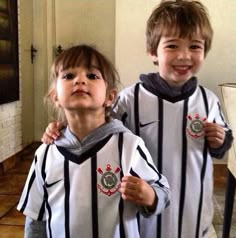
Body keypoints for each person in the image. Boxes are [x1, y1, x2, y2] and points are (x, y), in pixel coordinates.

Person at [41, 1, 234, 238]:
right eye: (172, 46)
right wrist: (62, 129)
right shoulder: (129, 99)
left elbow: (222, 146)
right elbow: (92, 125)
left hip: (192, 217)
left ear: (204, 50)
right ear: (153, 52)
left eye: (195, 46)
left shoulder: (209, 101)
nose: (184, 55)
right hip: (138, 219)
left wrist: (220, 140)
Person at [17, 44, 170, 238]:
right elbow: (36, 219)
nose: (80, 80)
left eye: (92, 76)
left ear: (110, 97)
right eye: (69, 76)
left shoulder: (129, 146)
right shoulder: (45, 154)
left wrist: (150, 196)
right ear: (55, 97)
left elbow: (162, 191)